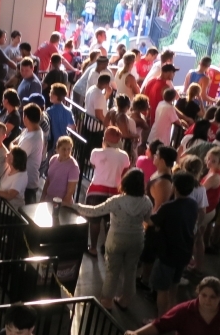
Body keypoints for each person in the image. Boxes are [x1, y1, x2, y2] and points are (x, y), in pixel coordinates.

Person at [74, 168, 152, 310]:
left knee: (112, 270)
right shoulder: (146, 202)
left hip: (116, 237)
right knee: (131, 269)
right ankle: (125, 300)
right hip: (137, 238)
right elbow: (147, 220)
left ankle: (107, 301)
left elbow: (94, 211)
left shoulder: (117, 201)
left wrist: (74, 206)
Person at [150, 172, 200, 315]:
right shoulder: (193, 204)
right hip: (184, 252)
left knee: (162, 289)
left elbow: (152, 221)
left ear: (175, 188)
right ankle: (171, 315)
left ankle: (160, 320)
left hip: (168, 253)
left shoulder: (168, 207)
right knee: (174, 285)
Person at [85, 126, 132, 255]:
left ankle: (93, 248)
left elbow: (93, 165)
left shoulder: (96, 152)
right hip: (115, 193)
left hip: (96, 189)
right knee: (109, 222)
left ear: (105, 139)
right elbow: (125, 173)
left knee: (94, 220)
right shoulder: (124, 156)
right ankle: (107, 248)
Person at [12, 104, 45, 202]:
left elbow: (15, 155)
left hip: (28, 184)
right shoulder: (30, 130)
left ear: (25, 117)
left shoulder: (31, 139)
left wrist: (12, 146)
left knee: (26, 213)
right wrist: (13, 145)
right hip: (25, 181)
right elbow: (14, 143)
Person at [43, 136, 80, 204]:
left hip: (62, 203)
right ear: (57, 149)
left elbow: (70, 192)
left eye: (69, 149)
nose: (66, 152)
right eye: (63, 149)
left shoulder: (73, 166)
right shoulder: (53, 159)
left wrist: (61, 206)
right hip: (48, 199)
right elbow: (48, 180)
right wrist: (42, 198)